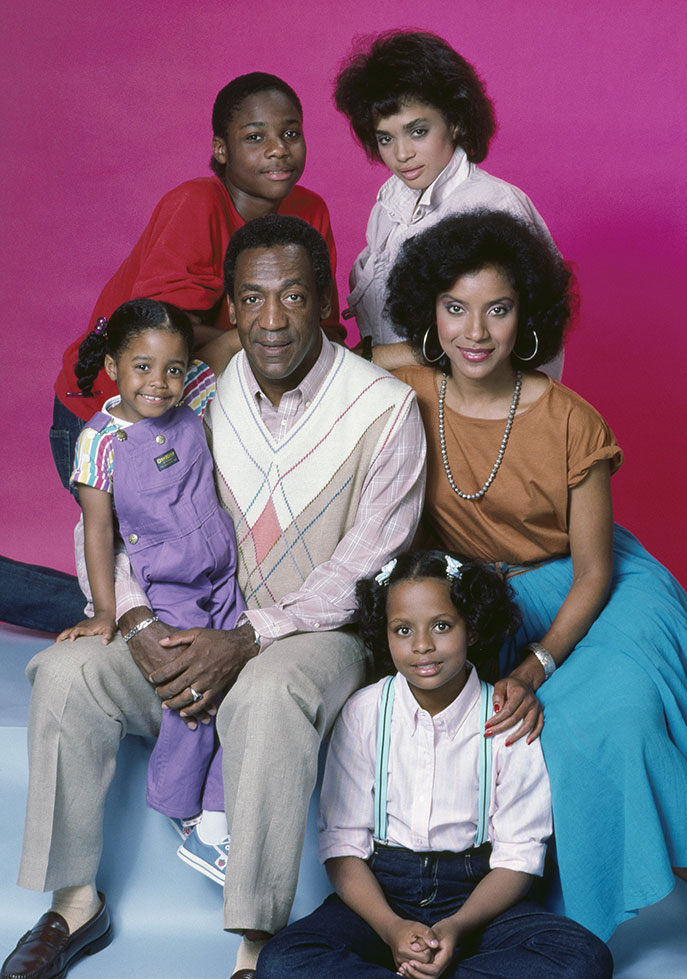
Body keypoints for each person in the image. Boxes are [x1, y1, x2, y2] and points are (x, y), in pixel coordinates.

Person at [2, 215, 426, 979]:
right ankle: (74, 901)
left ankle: (257, 942)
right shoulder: (197, 389)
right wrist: (135, 617)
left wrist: (249, 636)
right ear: (230, 306)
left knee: (266, 692)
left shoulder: (384, 408)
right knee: (66, 674)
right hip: (191, 625)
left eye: (293, 294)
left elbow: (367, 565)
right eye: (252, 298)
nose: (272, 318)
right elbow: (114, 520)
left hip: (311, 640)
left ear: (325, 300)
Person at [385, 209, 687, 940]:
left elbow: (594, 573)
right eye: (455, 308)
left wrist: (534, 666)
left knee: (622, 720)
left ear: (526, 316)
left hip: (602, 595)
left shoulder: (571, 420)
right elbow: (307, 352)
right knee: (541, 741)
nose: (475, 332)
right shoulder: (403, 389)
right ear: (430, 311)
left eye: (497, 310)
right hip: (493, 601)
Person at [0, 71, 345, 637]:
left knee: (191, 567)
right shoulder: (196, 204)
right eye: (255, 137)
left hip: (191, 413)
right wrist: (246, 340)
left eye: (291, 133)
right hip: (111, 413)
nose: (278, 149)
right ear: (220, 149)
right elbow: (159, 337)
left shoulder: (310, 211)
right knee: (140, 583)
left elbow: (321, 330)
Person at [257, 550, 612, 978]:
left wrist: (456, 928)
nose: (422, 645)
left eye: (441, 626)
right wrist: (391, 929)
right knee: (282, 960)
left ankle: (432, 966)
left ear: (472, 627)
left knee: (583, 958)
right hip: (383, 896)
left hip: (478, 897)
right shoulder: (365, 713)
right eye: (403, 630)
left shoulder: (506, 718)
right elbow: (343, 847)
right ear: (385, 633)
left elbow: (519, 857)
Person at [57, 298, 245, 879]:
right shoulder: (101, 441)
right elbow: (98, 531)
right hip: (170, 588)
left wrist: (193, 331)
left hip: (223, 573)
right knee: (195, 696)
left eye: (173, 368)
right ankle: (182, 808)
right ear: (113, 366)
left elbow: (235, 340)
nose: (158, 383)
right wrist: (106, 610)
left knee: (242, 683)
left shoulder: (193, 397)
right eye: (142, 367)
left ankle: (217, 812)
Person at [333, 29, 561, 380]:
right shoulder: (387, 208)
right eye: (386, 138)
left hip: (473, 405)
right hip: (392, 399)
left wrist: (368, 359)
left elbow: (510, 340)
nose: (402, 154)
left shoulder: (493, 205)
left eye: (418, 131)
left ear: (454, 121)